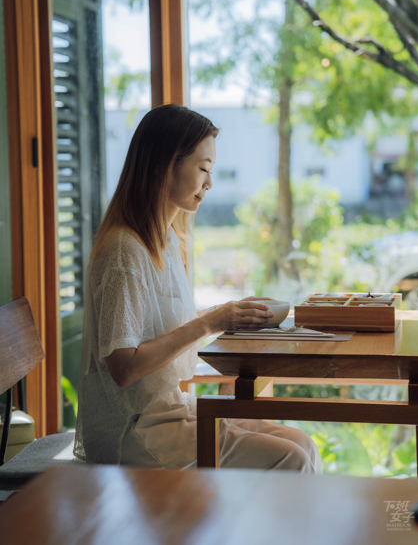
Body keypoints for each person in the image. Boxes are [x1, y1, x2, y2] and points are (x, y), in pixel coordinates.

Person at [74, 104, 322, 473]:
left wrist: (227, 315)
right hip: (132, 429)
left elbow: (163, 333)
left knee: (301, 443)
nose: (209, 183)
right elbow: (123, 368)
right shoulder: (124, 250)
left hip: (168, 409)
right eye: (203, 169)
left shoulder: (167, 241)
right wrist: (210, 322)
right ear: (164, 165)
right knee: (291, 459)